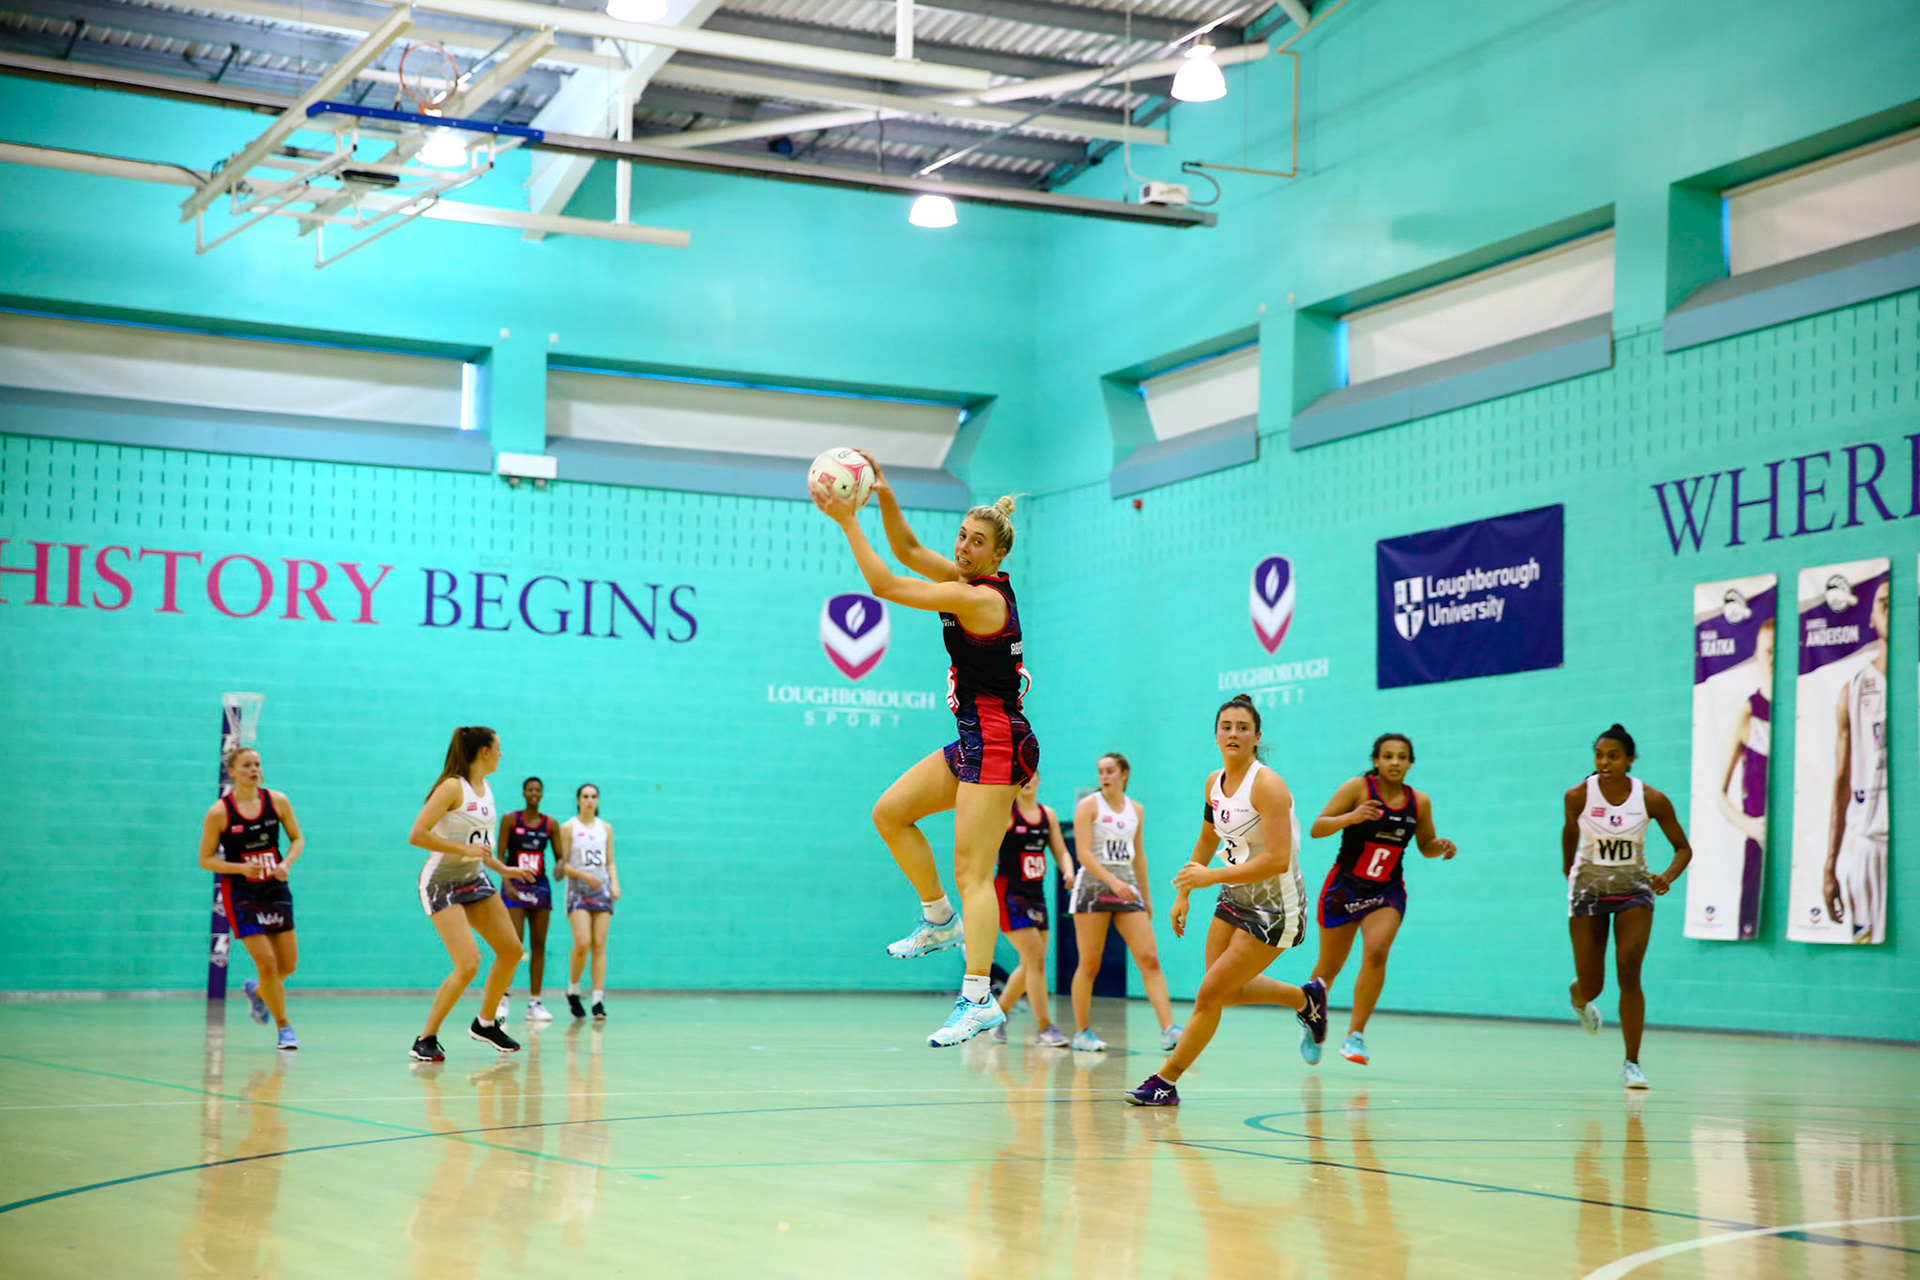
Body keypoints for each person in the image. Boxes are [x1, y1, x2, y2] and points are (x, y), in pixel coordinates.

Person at [811, 453, 1039, 1048]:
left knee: (974, 872)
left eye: (976, 542)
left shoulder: (983, 600)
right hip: (974, 738)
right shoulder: (965, 584)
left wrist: (847, 521)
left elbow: (886, 583)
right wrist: (883, 494)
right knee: (890, 812)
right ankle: (938, 920)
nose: (963, 546)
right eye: (962, 535)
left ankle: (978, 998)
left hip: (998, 740)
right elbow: (910, 553)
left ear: (998, 556)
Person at [1126, 696, 1327, 1106]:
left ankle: (1165, 1082)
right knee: (1225, 992)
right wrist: (1184, 891)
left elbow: (1277, 859)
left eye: (1242, 727)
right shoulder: (1213, 782)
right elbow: (1206, 839)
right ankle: (1305, 1000)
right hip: (1233, 895)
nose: (1233, 733)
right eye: (1226, 726)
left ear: (1256, 737)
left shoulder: (1267, 784)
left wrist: (1209, 877)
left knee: (1210, 994)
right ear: (1216, 734)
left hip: (1276, 907)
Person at [1301, 733, 1456, 1067]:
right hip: (1344, 889)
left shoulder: (1420, 802)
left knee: (1376, 951)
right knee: (1329, 969)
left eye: (1402, 757)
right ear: (1376, 760)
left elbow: (1425, 844)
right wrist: (1351, 817)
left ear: (1411, 762)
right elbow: (1317, 827)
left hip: (1386, 891)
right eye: (1388, 756)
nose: (1395, 762)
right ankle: (1311, 1021)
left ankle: (1354, 1035)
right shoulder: (1358, 789)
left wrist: (1439, 846)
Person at [1564, 724, 1692, 1090]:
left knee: (1629, 967)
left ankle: (1632, 1063)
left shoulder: (1651, 799)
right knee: (1592, 985)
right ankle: (1578, 999)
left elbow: (1683, 848)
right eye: (1600, 755)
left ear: (1629, 760)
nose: (1605, 762)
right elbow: (1568, 838)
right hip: (1588, 893)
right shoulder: (1577, 797)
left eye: (1613, 756)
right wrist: (1569, 876)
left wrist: (1667, 876)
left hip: (1633, 892)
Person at [406, 726, 533, 1061]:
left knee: (510, 950)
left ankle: (485, 1023)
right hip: (440, 883)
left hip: (474, 878)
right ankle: (425, 1038)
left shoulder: (485, 787)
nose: (502, 753)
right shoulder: (451, 787)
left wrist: (504, 870)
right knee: (468, 963)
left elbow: (480, 846)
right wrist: (460, 847)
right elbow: (417, 834)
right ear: (484, 752)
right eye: (499, 747)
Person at [1069, 753, 1181, 1052]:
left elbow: (1139, 856)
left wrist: (1145, 896)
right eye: (1100, 771)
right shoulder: (1088, 806)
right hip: (1094, 888)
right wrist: (1114, 882)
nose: (1104, 776)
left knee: (1149, 958)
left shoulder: (1137, 810)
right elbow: (1083, 854)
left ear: (1124, 774)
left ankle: (1169, 1029)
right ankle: (1082, 1032)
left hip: (1128, 890)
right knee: (1090, 964)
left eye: (1110, 771)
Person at [196, 746, 304, 1049]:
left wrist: (285, 864)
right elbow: (205, 859)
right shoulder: (219, 812)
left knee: (288, 965)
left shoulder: (277, 801)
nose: (254, 769)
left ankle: (258, 992)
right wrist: (240, 867)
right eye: (246, 765)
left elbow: (297, 838)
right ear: (232, 771)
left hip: (275, 889)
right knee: (267, 963)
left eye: (257, 764)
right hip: (242, 893)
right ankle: (285, 1028)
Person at [987, 775, 1075, 1047]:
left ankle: (997, 1016)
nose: (1027, 780)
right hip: (1009, 894)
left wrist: (1069, 870)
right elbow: (987, 851)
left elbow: (1060, 852)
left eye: (1032, 774)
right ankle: (1044, 1027)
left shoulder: (1046, 814)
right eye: (1021, 775)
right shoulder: (1005, 813)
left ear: (1038, 779)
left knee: (1031, 964)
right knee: (1035, 959)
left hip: (1036, 896)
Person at [1825, 580, 1888, 944]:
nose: (1891, 609)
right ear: (1870, 619)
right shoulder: (1854, 690)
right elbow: (1840, 782)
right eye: (1883, 602)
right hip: (1866, 844)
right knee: (1864, 946)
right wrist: (1829, 868)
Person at [1713, 617, 1773, 940]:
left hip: (1797, 843)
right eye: (1768, 651)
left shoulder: (1805, 711)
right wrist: (1748, 824)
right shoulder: (1748, 713)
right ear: (1756, 657)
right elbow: (1718, 795)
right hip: (1758, 845)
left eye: (1779, 650)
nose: (1773, 658)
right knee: (1753, 932)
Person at [496, 776, 560, 1024]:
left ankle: (535, 1002)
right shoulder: (510, 820)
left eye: (538, 790)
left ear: (542, 794)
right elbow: (500, 854)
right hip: (515, 885)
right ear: (524, 792)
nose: (534, 793)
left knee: (539, 944)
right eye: (530, 789)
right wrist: (507, 882)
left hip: (539, 887)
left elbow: (560, 856)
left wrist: (561, 867)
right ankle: (503, 997)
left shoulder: (550, 824)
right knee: (514, 944)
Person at [559, 783, 619, 1021]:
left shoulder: (606, 828)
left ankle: (597, 998)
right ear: (577, 800)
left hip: (601, 888)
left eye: (594, 796)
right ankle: (573, 989)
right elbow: (562, 865)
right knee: (582, 942)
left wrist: (614, 882)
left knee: (599, 943)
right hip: (578, 888)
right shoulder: (568, 827)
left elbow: (610, 861)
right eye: (585, 796)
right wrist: (584, 876)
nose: (589, 800)